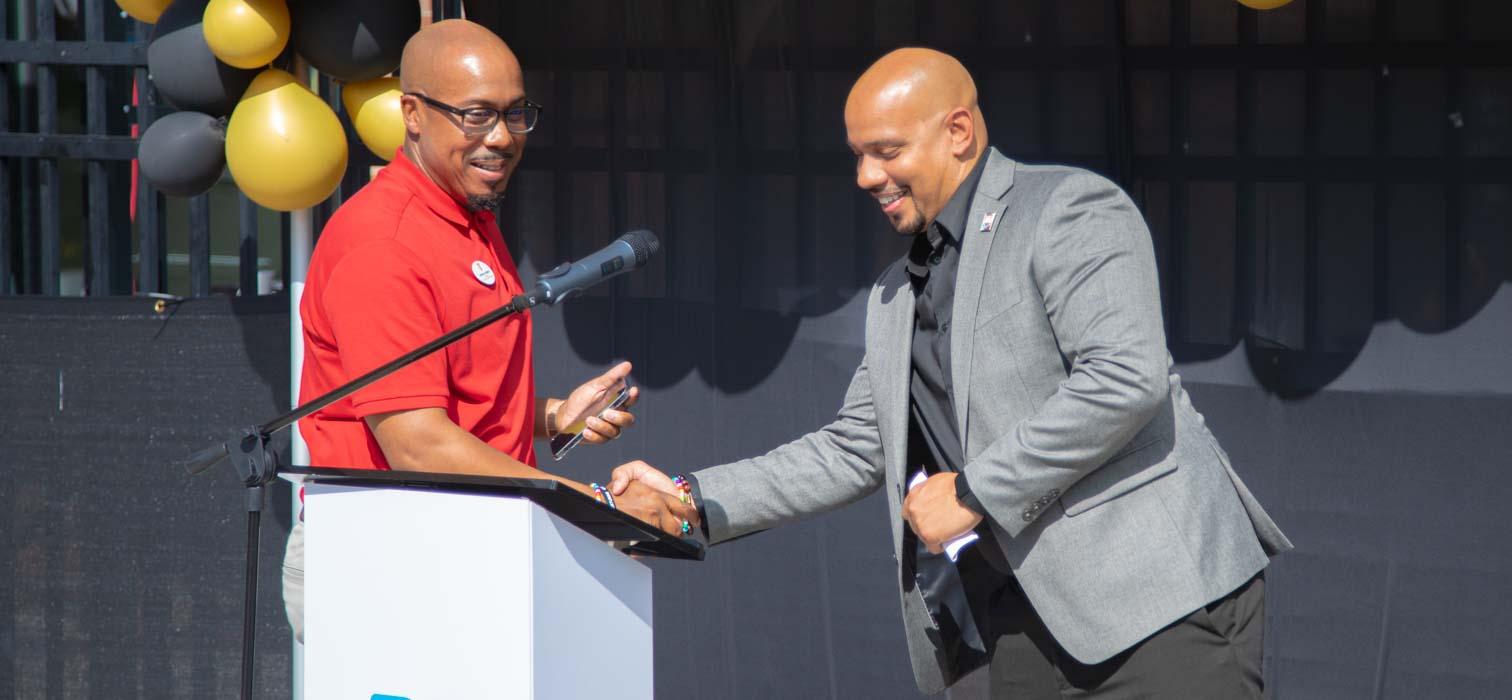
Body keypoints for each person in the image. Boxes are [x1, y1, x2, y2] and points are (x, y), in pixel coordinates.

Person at [609, 47, 1291, 697]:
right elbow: (852, 448)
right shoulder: (894, 292)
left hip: (1161, 604)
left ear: (958, 131)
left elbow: (1123, 378)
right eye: (857, 157)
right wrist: (688, 495)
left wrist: (971, 492)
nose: (866, 177)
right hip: (1021, 625)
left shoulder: (1068, 207)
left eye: (887, 152)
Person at [281, 19, 697, 642]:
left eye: (515, 114)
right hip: (388, 561)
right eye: (476, 115)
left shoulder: (462, 213)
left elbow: (443, 398)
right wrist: (598, 508)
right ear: (413, 114)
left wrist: (552, 416)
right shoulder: (385, 245)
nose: (501, 137)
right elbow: (418, 445)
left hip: (462, 543)